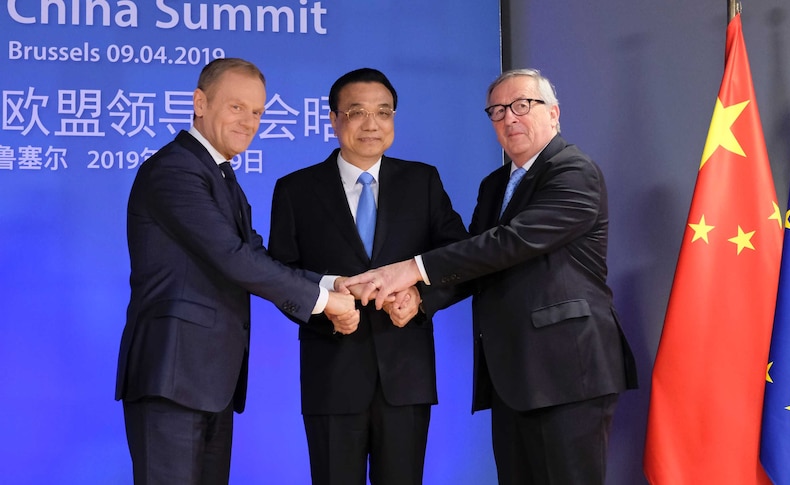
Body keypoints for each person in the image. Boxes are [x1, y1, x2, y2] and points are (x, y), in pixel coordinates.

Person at [343, 68, 638, 485]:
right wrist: (421, 300)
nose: (509, 118)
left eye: (522, 106)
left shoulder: (574, 171)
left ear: (554, 113)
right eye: (497, 111)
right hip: (513, 376)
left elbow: (509, 243)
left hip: (567, 373)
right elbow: (480, 263)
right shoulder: (496, 184)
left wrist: (411, 269)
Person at [114, 57, 358, 484]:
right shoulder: (175, 169)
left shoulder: (220, 175)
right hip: (173, 377)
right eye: (236, 107)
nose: (249, 121)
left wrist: (329, 282)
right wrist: (325, 303)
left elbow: (257, 254)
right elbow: (231, 257)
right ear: (199, 103)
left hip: (208, 380)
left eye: (258, 112)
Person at [268, 67, 469, 485]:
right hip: (331, 374)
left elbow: (461, 259)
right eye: (357, 112)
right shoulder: (296, 190)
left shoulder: (423, 182)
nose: (372, 124)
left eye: (384, 112)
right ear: (333, 119)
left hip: (406, 375)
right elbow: (279, 275)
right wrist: (327, 305)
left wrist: (421, 300)